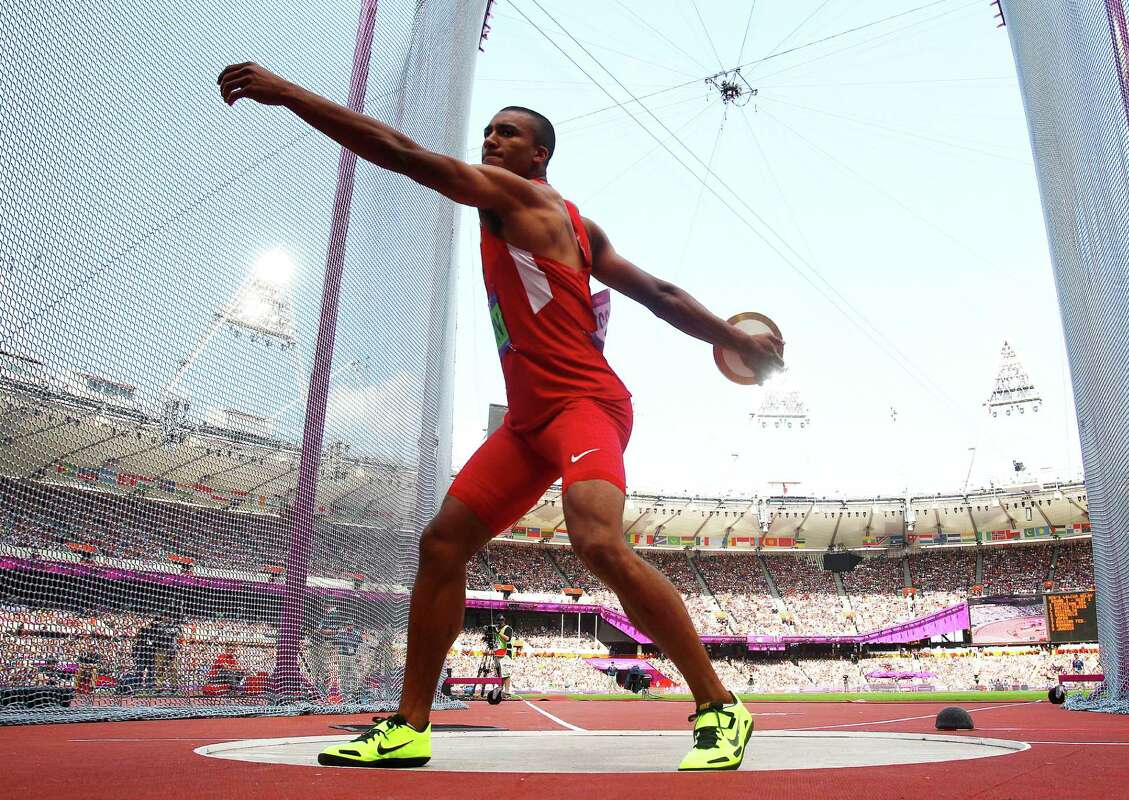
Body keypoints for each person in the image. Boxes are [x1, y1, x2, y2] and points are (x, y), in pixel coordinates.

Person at [218, 62, 783, 772]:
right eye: (487, 130)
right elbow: (661, 293)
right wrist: (731, 339)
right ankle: (408, 726)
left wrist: (290, 92)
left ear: (537, 155)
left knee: (597, 543)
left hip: (585, 406)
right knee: (442, 543)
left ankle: (719, 706)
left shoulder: (520, 197)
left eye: (507, 132)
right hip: (528, 422)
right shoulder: (580, 228)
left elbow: (403, 154)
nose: (490, 139)